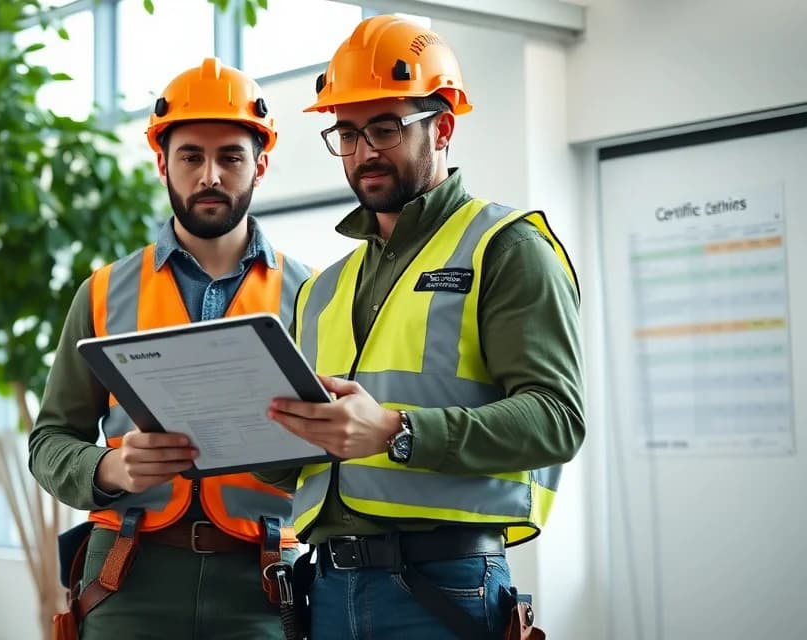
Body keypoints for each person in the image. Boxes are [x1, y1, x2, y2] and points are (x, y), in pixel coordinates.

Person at [260, 15, 585, 640]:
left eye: (385, 127)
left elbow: (557, 419)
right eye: (346, 133)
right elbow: (313, 466)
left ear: (443, 127)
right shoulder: (322, 287)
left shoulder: (505, 247)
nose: (363, 152)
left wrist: (396, 430)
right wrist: (230, 438)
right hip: (323, 587)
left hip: (444, 584)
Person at [29, 58, 314, 640]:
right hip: (127, 577)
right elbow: (50, 440)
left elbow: (339, 447)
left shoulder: (312, 295)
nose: (210, 175)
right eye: (191, 156)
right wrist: (108, 467)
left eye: (231, 156)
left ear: (259, 164)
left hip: (263, 585)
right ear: (163, 162)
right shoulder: (104, 292)